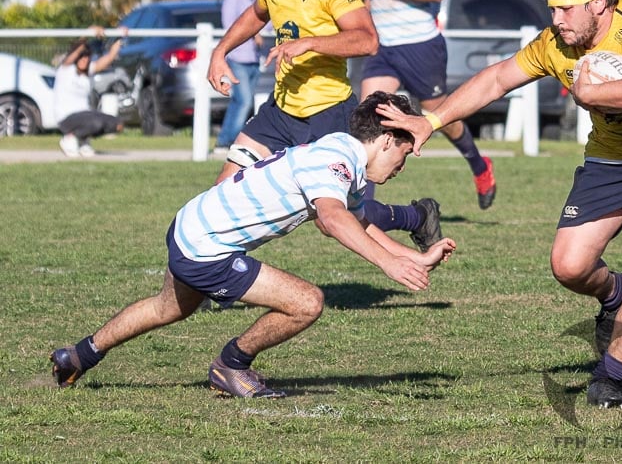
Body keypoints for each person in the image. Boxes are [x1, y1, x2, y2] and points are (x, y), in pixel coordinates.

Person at [375, 0, 622, 409]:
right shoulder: (556, 43)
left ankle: (609, 377)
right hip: (613, 159)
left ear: (598, 3)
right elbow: (497, 79)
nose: (556, 20)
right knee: (569, 266)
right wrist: (431, 121)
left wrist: (592, 92)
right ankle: (616, 293)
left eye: (565, 8)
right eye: (551, 8)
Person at [49, 92, 457, 398]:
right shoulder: (336, 158)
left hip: (192, 225)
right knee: (307, 302)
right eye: (405, 152)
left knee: (167, 308)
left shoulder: (342, 157)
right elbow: (332, 221)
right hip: (208, 248)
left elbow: (358, 221)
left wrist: (413, 256)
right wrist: (388, 265)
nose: (403, 166)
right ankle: (231, 366)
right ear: (386, 139)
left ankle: (80, 355)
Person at [206, 0, 441, 252]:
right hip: (280, 111)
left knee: (336, 220)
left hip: (327, 113)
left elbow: (367, 41)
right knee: (225, 191)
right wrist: (220, 51)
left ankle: (417, 217)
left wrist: (310, 43)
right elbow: (257, 14)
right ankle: (209, 276)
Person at [362, 0, 496, 210]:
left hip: (419, 45)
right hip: (384, 48)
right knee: (368, 114)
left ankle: (479, 165)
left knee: (442, 117)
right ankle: (362, 206)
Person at [214, 0, 267, 153]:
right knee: (244, 101)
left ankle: (223, 140)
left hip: (254, 59)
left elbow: (270, 25)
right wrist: (254, 33)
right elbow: (230, 26)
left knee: (240, 101)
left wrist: (260, 33)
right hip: (238, 58)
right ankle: (234, 141)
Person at [54, 25, 125, 157]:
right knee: (96, 123)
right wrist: (88, 32)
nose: (84, 60)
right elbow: (76, 49)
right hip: (67, 118)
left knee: (117, 125)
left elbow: (109, 58)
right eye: (81, 57)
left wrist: (120, 36)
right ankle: (70, 138)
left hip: (85, 115)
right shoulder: (65, 69)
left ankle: (82, 141)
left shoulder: (88, 71)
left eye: (87, 57)